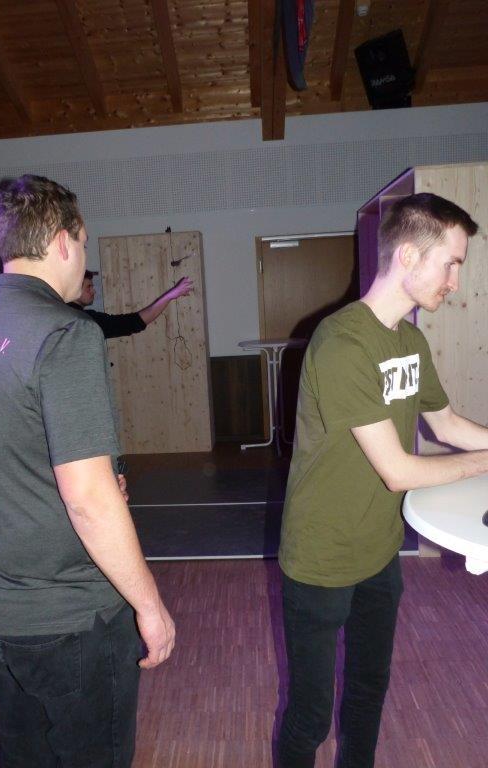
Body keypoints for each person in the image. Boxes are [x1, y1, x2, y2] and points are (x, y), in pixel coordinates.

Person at [0, 175, 175, 768]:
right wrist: (149, 606)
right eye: (85, 245)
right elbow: (88, 501)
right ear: (65, 241)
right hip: (67, 620)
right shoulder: (66, 332)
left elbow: (2, 457)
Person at [277, 192, 488, 768]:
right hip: (320, 556)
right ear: (409, 256)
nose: (455, 282)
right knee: (311, 715)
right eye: (451, 264)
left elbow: (446, 424)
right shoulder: (342, 343)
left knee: (369, 690)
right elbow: (398, 471)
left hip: (378, 551)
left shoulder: (410, 341)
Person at [69, 269, 193, 338]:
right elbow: (132, 322)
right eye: (89, 287)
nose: (93, 291)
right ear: (75, 288)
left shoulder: (69, 314)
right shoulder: (84, 320)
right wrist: (170, 295)